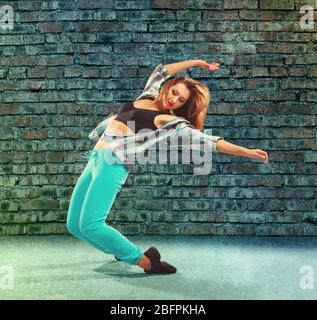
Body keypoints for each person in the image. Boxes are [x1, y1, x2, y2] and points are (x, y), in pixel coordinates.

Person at [66, 59, 269, 274]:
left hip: (113, 163)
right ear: (168, 87)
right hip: (97, 157)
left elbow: (209, 141)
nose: (174, 100)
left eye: (181, 100)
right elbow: (161, 71)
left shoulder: (169, 121)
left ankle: (147, 262)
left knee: (91, 225)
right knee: (74, 226)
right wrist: (198, 63)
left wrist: (247, 152)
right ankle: (120, 249)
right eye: (174, 92)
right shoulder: (148, 95)